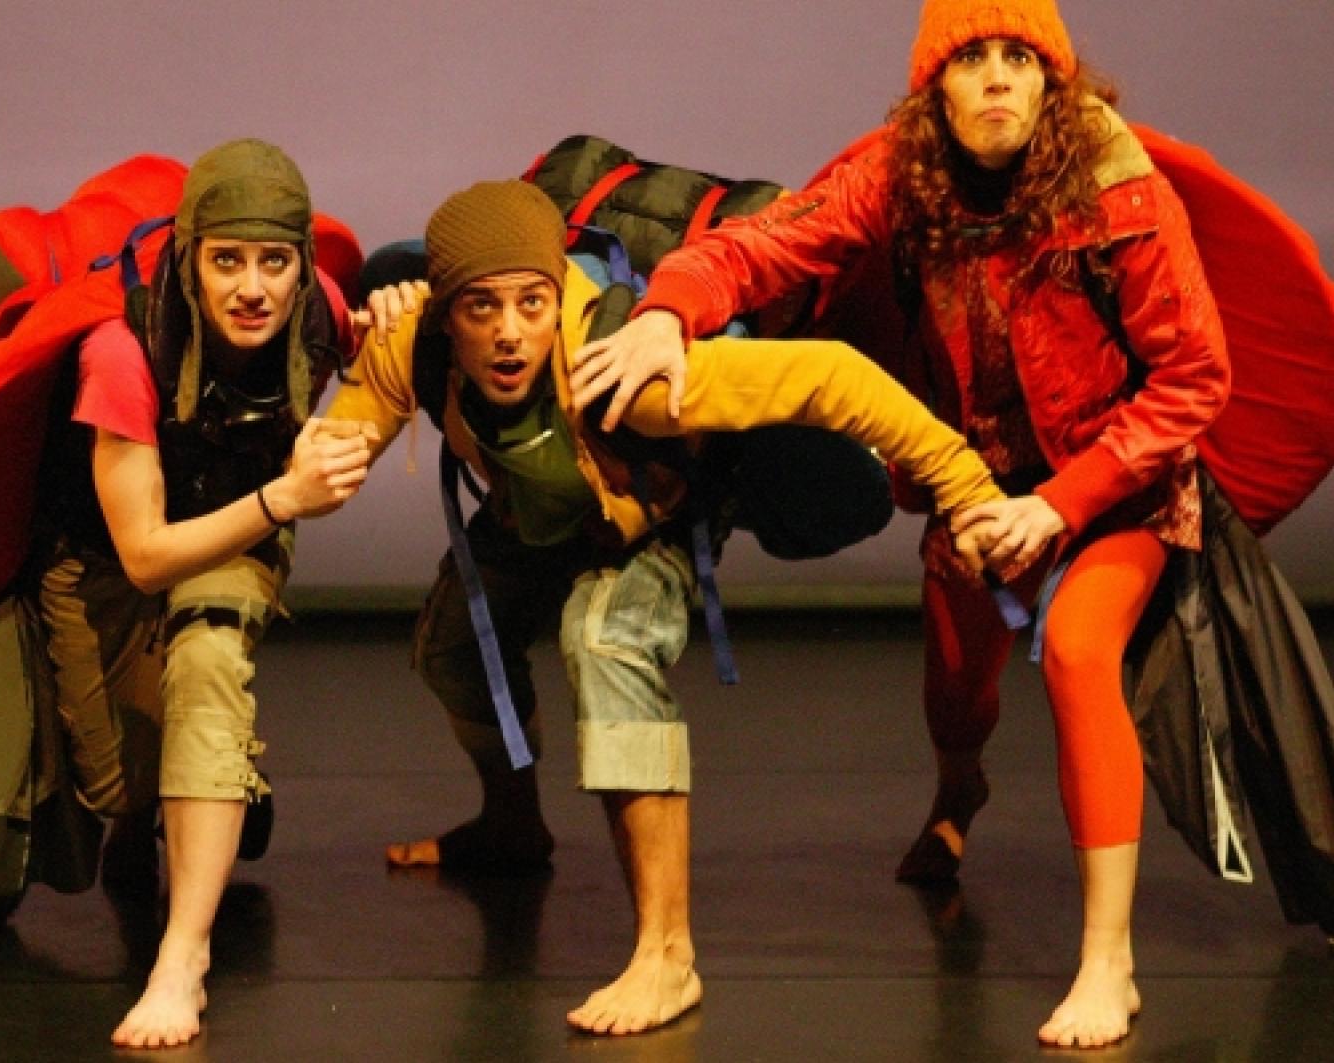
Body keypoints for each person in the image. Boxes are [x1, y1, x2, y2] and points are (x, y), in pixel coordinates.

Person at [575, 0, 1230, 1047]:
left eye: (1019, 58)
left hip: (1113, 480)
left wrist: (1061, 503)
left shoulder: (1118, 190)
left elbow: (1194, 375)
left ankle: (1108, 962)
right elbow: (761, 246)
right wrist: (665, 310)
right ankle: (958, 790)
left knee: (1074, 650)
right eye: (971, 59)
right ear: (935, 89)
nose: (997, 79)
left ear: (1053, 82)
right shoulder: (899, 174)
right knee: (957, 689)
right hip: (981, 478)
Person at [326, 179, 1007, 1035]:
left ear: (555, 296)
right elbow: (330, 448)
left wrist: (966, 484)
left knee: (604, 640)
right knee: (451, 646)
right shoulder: (414, 343)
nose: (507, 333)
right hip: (542, 505)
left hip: (653, 511)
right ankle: (512, 824)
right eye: (481, 309)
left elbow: (830, 379)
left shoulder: (628, 373)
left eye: (531, 303)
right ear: (447, 313)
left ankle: (667, 954)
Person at [0, 138, 374, 1049]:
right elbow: (144, 556)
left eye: (275, 262)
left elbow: (383, 353)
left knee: (209, 658)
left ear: (303, 263)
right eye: (228, 261)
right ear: (190, 260)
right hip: (105, 553)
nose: (253, 288)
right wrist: (286, 496)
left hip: (237, 529)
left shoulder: (319, 313)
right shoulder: (126, 349)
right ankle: (187, 790)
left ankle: (182, 957)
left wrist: (404, 313)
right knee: (119, 780)